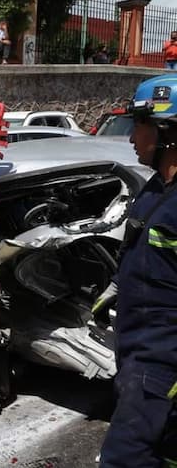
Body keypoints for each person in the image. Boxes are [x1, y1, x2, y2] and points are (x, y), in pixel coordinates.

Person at [97, 74, 177, 468]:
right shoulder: (155, 189)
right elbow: (142, 251)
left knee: (124, 458)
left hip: (162, 362)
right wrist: (116, 284)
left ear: (167, 132)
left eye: (139, 126)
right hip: (137, 351)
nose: (131, 138)